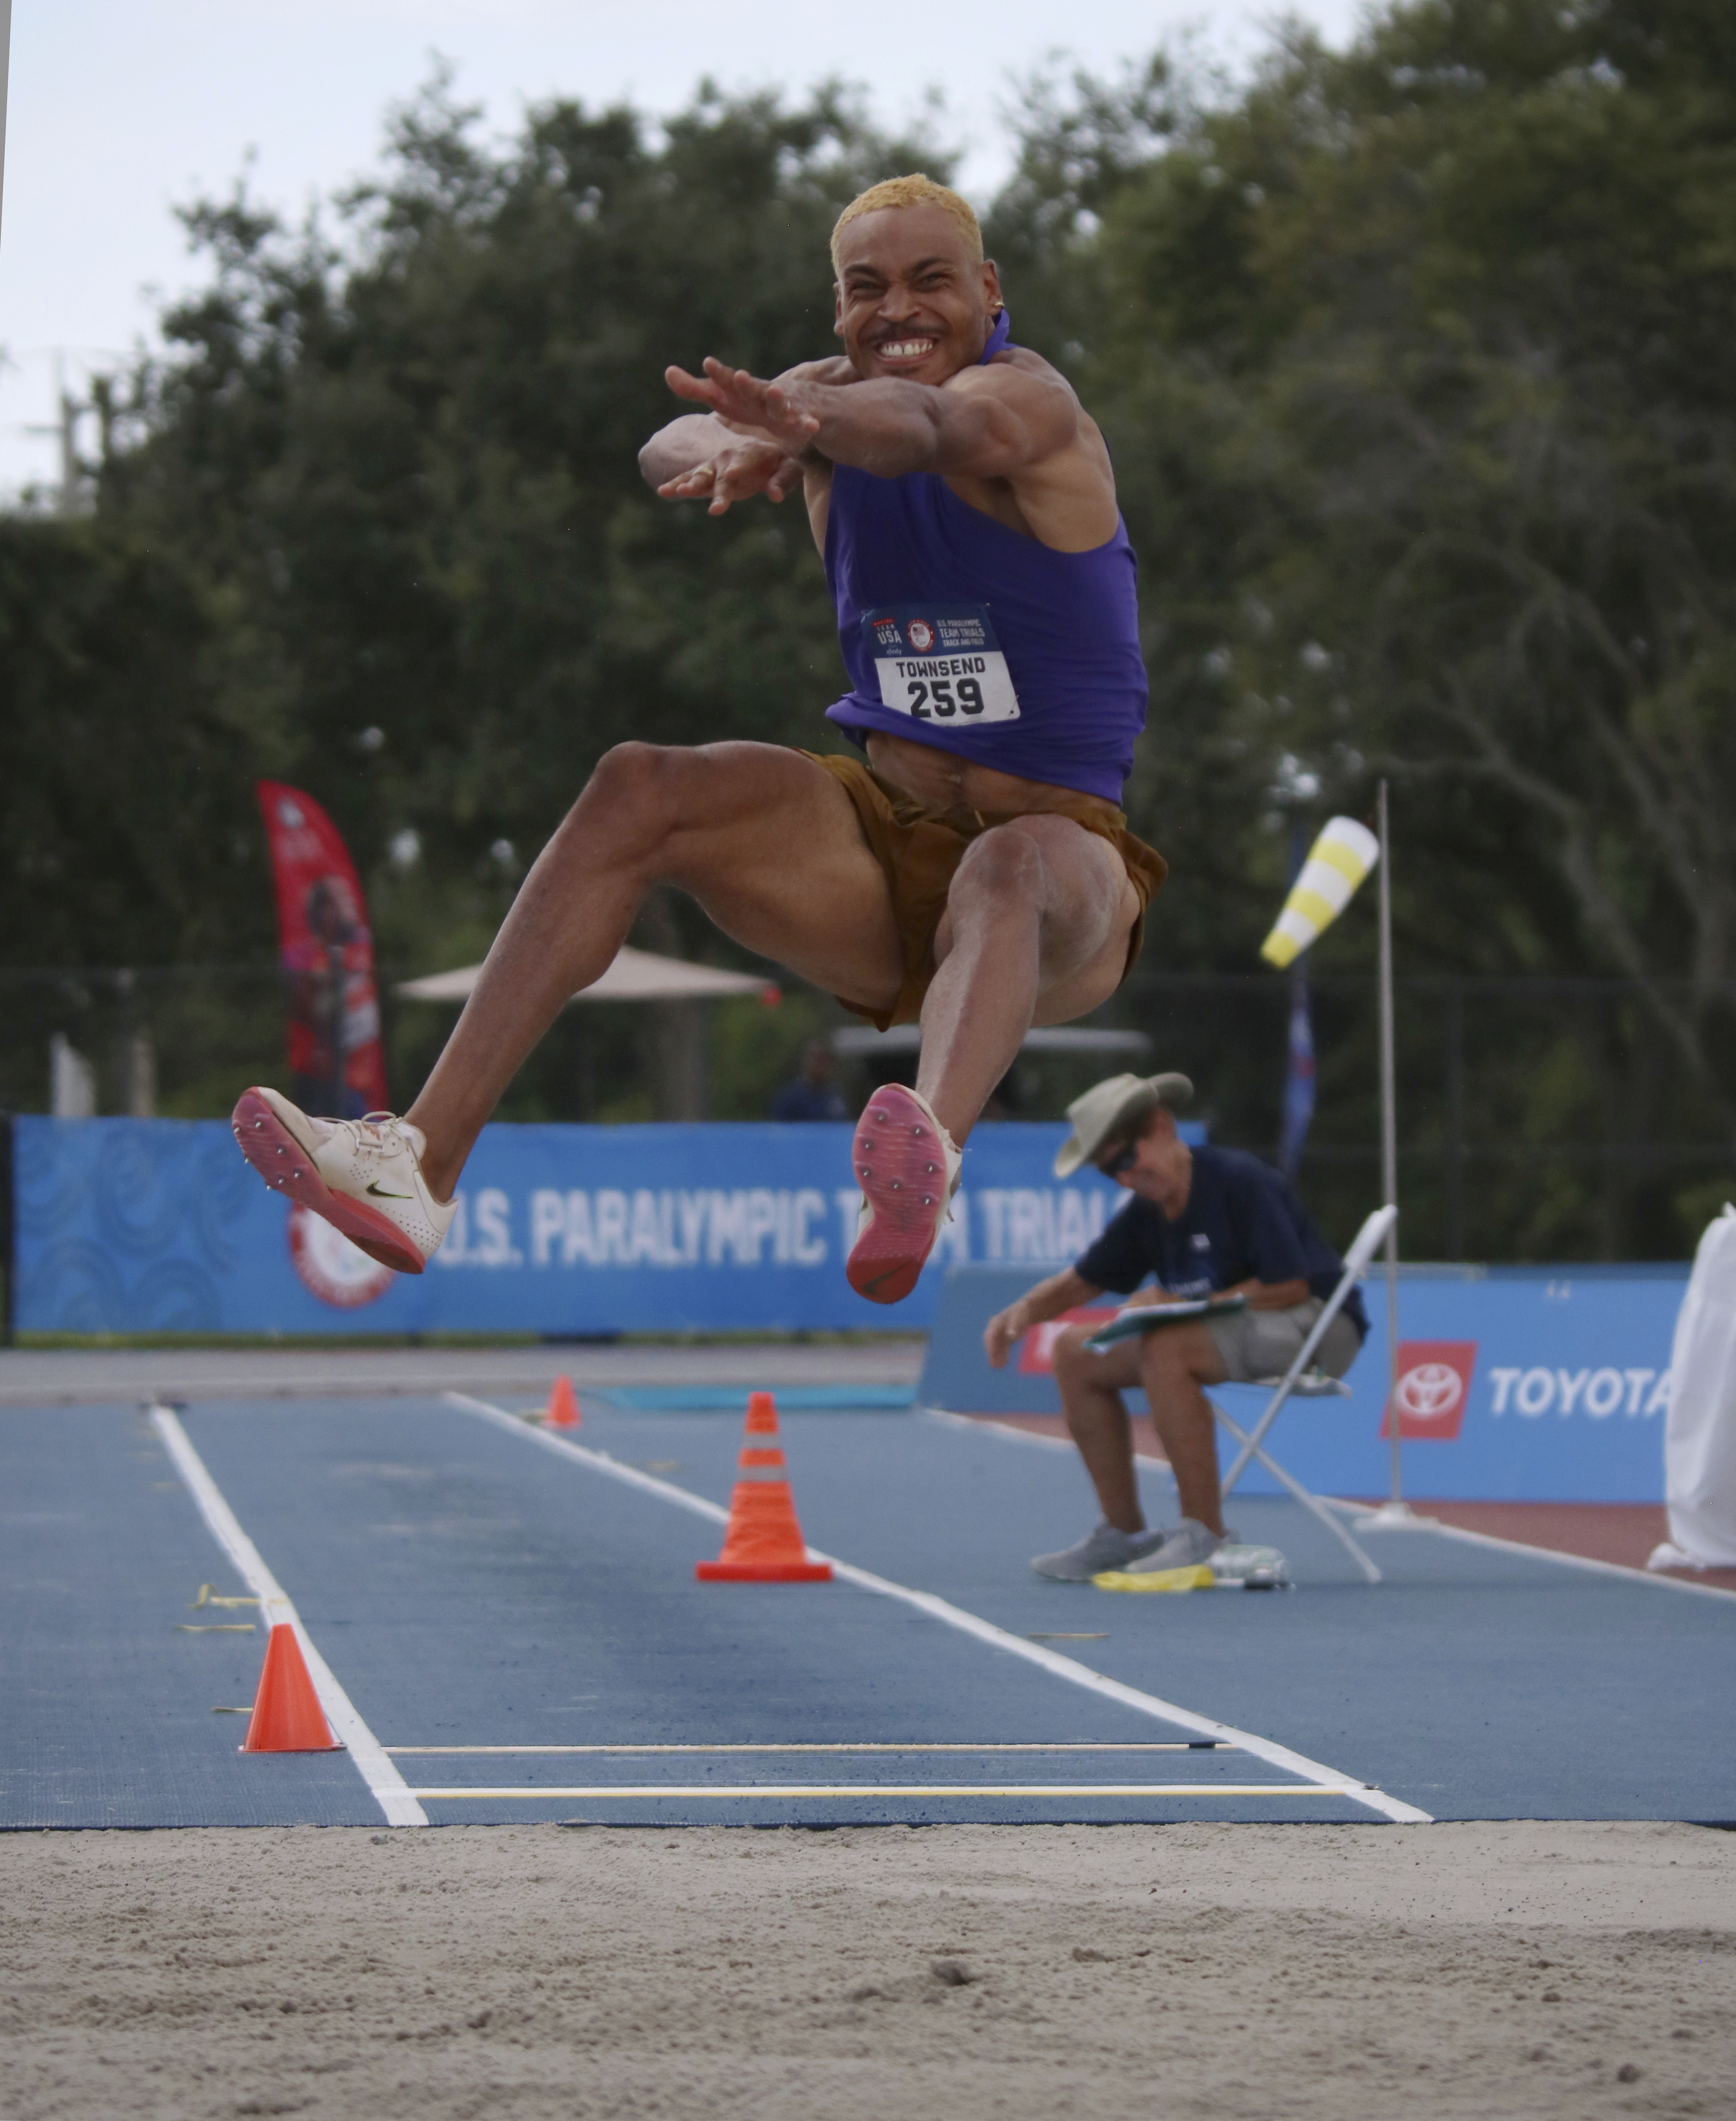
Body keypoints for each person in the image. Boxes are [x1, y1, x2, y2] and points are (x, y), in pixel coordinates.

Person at [229, 173, 1165, 1305]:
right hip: (876, 858)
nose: (898, 310)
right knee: (638, 785)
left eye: (930, 282)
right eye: (866, 289)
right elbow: (666, 441)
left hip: (1058, 869)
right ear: (836, 309)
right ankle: (417, 1164)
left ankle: (922, 1159)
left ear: (989, 289)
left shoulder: (1031, 406)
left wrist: (806, 425)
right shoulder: (817, 403)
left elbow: (931, 427)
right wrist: (730, 444)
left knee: (1004, 860)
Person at [983, 1072, 1368, 1579]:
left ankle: (1204, 1534)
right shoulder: (1147, 1210)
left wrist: (1186, 1302)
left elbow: (1290, 1284)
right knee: (1076, 1353)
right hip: (1231, 1326)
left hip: (1318, 1324)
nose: (1123, 1178)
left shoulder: (1238, 1180)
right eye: (1109, 1172)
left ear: (1162, 1127)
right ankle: (1124, 1535)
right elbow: (1082, 1281)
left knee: (1168, 1345)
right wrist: (1021, 1313)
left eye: (1125, 1160)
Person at [771, 1039, 850, 1122]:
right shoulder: (791, 1098)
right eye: (816, 1060)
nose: (819, 1065)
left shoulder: (836, 1097)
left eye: (823, 1060)